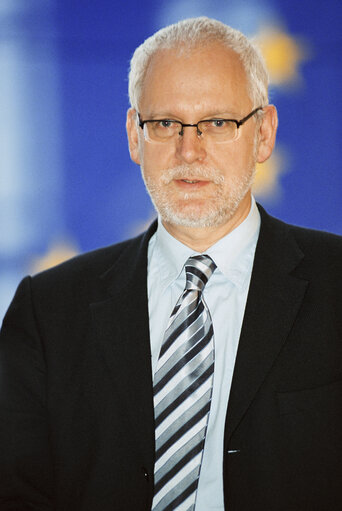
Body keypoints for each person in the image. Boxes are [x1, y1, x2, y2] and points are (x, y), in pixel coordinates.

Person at [0, 16, 341, 511]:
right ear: (135, 136)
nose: (189, 149)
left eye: (218, 123)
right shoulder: (46, 310)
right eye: (165, 124)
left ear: (264, 133)